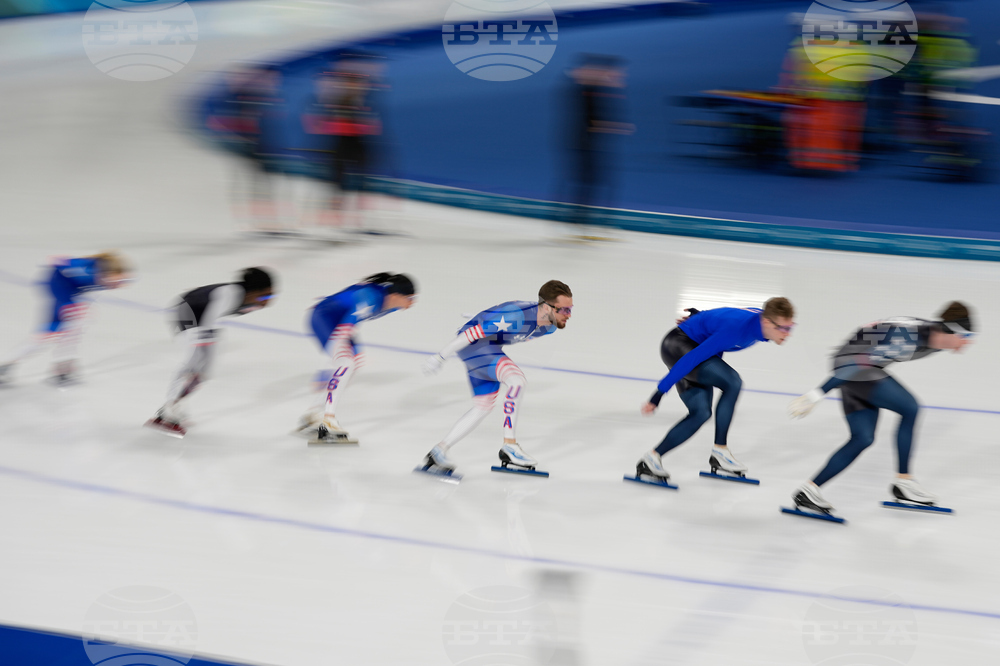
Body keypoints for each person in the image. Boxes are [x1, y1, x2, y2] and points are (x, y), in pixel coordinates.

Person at [788, 302, 975, 513]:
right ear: (952, 331)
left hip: (854, 365)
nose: (967, 343)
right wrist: (818, 393)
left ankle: (808, 491)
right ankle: (904, 482)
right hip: (853, 367)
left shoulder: (934, 337)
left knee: (863, 438)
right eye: (966, 337)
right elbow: (858, 362)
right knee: (910, 408)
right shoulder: (908, 338)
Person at [635, 298, 795, 483]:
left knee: (701, 413)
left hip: (693, 346)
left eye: (790, 328)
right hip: (679, 347)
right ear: (767, 322)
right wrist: (657, 395)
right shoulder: (737, 329)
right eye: (783, 328)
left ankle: (651, 459)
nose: (787, 333)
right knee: (733, 382)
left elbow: (725, 313)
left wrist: (700, 317)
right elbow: (692, 358)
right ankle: (720, 451)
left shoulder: (760, 320)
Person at [420, 280, 574, 473]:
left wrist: (482, 319)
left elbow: (501, 328)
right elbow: (471, 334)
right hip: (474, 345)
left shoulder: (549, 327)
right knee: (516, 381)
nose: (568, 315)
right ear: (546, 306)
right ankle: (510, 445)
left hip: (486, 349)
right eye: (564, 310)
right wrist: (440, 357)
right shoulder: (516, 315)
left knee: (483, 406)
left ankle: (438, 451)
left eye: (570, 309)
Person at [145, 267, 275, 438]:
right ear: (253, 291)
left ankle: (171, 406)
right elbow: (208, 319)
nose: (267, 302)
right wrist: (203, 346)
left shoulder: (249, 300)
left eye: (271, 297)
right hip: (187, 312)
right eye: (265, 296)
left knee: (205, 372)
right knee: (193, 361)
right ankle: (170, 408)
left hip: (203, 320)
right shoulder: (231, 293)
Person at [294, 272, 417, 443]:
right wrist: (328, 367)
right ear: (396, 295)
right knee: (346, 363)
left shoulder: (393, 304)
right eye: (410, 298)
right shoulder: (371, 297)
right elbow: (346, 326)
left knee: (353, 363)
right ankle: (327, 421)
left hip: (336, 319)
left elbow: (350, 314)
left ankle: (313, 415)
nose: (412, 303)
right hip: (324, 318)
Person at [0, 251, 131, 386]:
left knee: (54, 331)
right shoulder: (87, 268)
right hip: (59, 287)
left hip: (71, 292)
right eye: (116, 280)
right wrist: (58, 260)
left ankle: (9, 365)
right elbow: (56, 262)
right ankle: (62, 370)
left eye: (122, 280)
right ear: (106, 273)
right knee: (72, 325)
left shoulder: (107, 277)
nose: (119, 285)